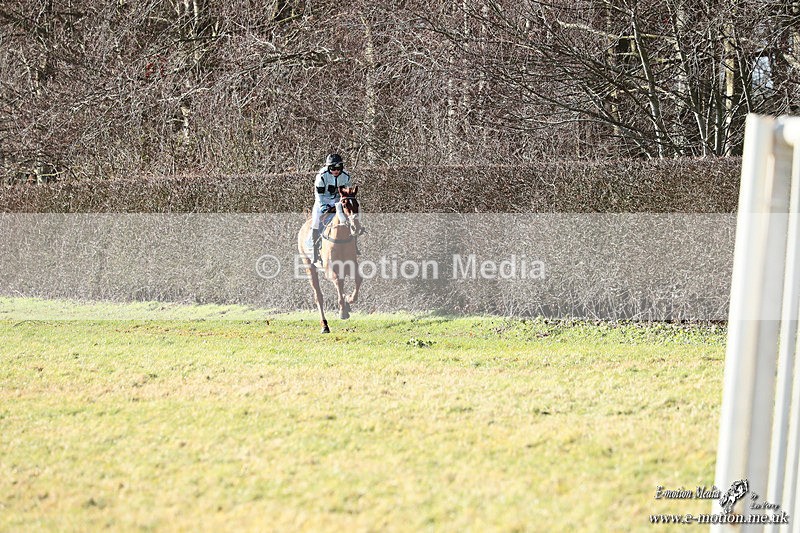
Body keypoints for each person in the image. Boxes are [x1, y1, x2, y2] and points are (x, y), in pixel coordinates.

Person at [311, 153, 352, 266]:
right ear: (328, 168)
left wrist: (343, 203)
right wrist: (324, 207)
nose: (336, 171)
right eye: (333, 168)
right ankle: (315, 252)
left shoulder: (346, 176)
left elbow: (347, 193)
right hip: (323, 201)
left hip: (338, 201)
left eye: (338, 168)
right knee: (315, 223)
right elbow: (319, 195)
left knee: (351, 218)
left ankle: (355, 246)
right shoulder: (322, 176)